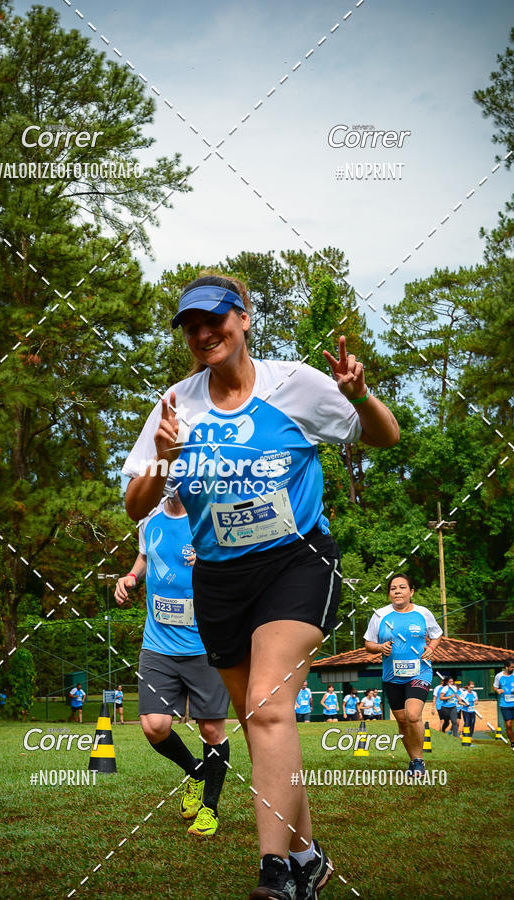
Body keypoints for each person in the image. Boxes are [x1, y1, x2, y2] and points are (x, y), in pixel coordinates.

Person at [122, 273, 399, 900]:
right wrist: (164, 457)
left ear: (243, 318)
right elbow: (135, 503)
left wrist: (360, 397)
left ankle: (275, 874)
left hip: (296, 561)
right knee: (259, 724)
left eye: (214, 319)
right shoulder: (175, 404)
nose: (202, 333)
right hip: (218, 579)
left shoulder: (295, 385)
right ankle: (307, 854)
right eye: (190, 326)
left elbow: (383, 437)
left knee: (269, 709)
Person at [115, 487, 230, 838]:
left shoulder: (211, 516)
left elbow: (237, 565)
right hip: (158, 645)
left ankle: (209, 808)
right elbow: (146, 558)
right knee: (154, 725)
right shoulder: (148, 519)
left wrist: (211, 559)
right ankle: (195, 771)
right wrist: (131, 578)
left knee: (211, 730)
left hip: (205, 643)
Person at [364, 573, 442, 777]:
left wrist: (432, 647)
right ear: (389, 593)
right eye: (393, 588)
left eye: (402, 587)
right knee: (402, 721)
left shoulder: (423, 613)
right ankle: (414, 759)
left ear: (411, 591)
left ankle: (419, 761)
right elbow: (368, 644)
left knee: (413, 715)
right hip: (392, 677)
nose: (397, 591)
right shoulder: (380, 615)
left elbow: (436, 634)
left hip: (420, 672)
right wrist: (380, 647)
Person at [493, 659, 514, 748]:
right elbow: (494, 687)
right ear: (506, 667)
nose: (513, 668)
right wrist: (498, 690)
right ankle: (513, 742)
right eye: (512, 667)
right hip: (505, 704)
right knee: (508, 724)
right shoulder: (499, 676)